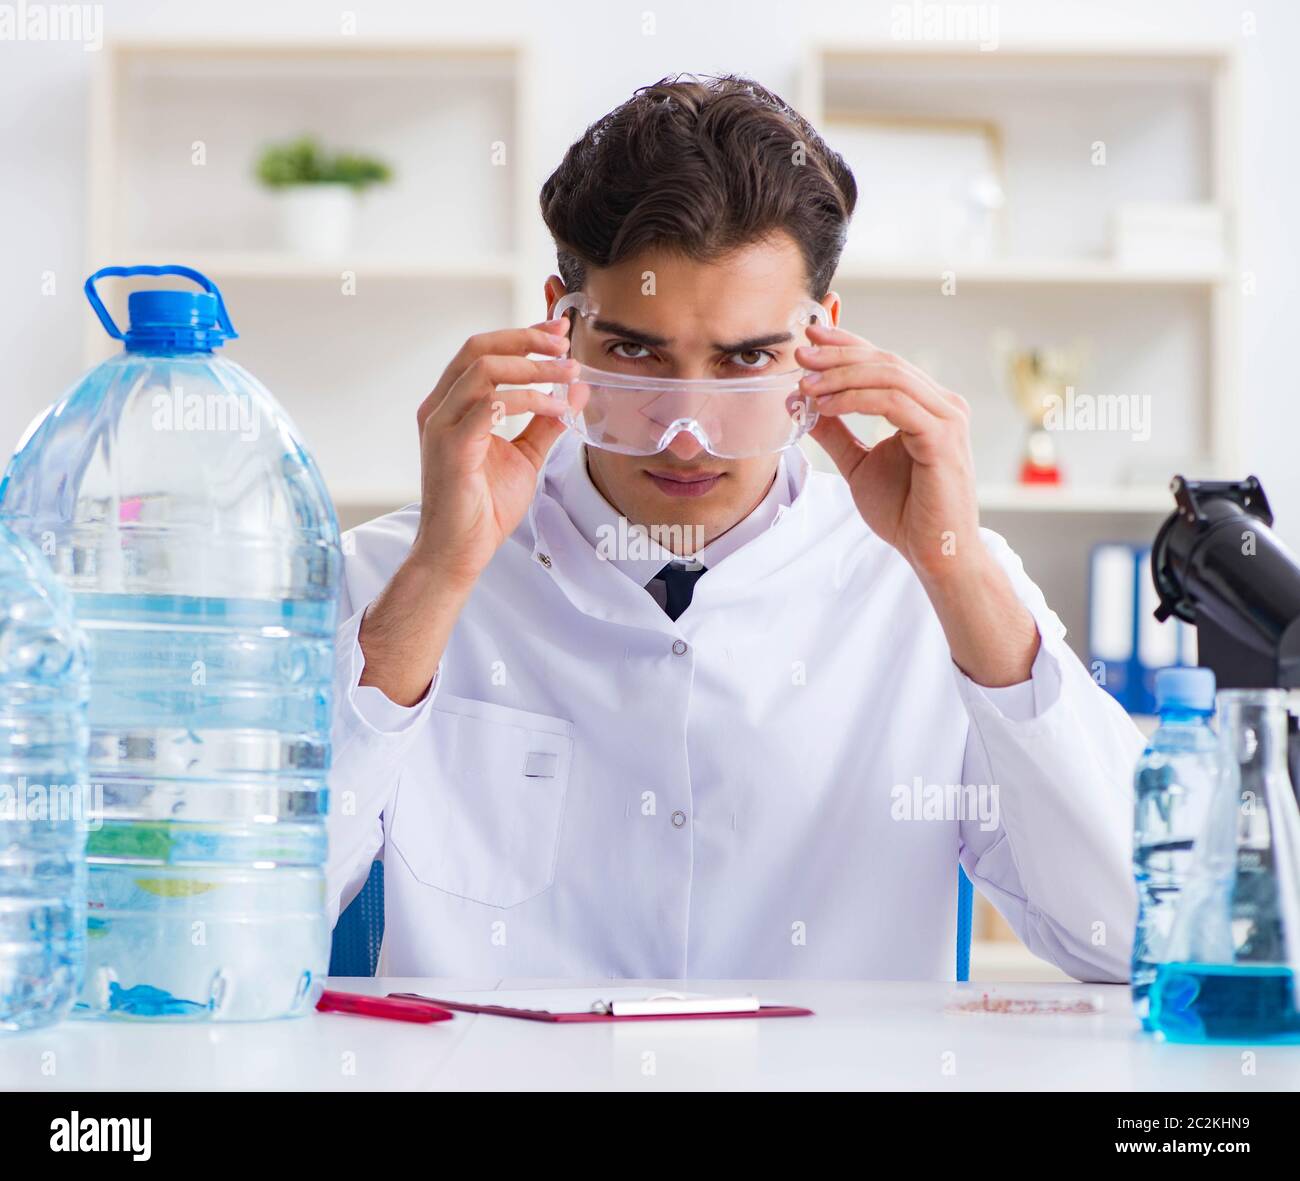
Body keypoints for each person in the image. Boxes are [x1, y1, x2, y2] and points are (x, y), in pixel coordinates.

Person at [327, 74, 1144, 981]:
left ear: (823, 340)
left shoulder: (933, 587)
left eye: (745, 360)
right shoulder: (394, 575)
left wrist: (957, 576)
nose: (688, 429)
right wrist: (442, 578)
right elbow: (238, 932)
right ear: (561, 326)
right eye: (637, 353)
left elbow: (1136, 941)